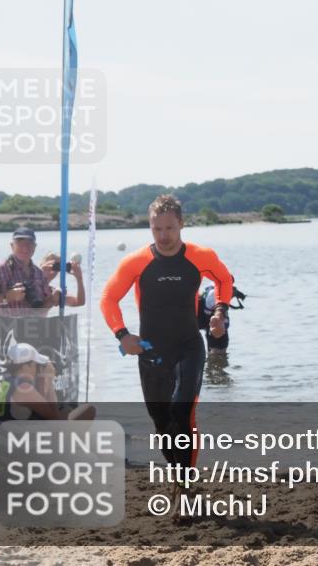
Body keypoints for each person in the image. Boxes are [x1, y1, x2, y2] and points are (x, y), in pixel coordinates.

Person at [101, 194, 233, 492]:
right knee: (162, 423)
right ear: (150, 227)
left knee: (181, 411)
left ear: (181, 225)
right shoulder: (136, 262)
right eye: (156, 229)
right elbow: (109, 298)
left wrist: (220, 312)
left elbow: (225, 280)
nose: (163, 235)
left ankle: (184, 487)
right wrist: (123, 335)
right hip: (151, 351)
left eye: (169, 228)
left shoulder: (201, 256)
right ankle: (177, 475)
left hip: (189, 345)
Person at [0, 342, 95, 421]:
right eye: (36, 365)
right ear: (25, 366)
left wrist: (43, 381)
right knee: (88, 410)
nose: (37, 369)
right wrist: (48, 379)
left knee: (66, 411)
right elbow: (53, 417)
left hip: (10, 435)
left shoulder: (6, 381)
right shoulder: (24, 389)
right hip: (22, 442)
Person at [0, 228, 55, 315]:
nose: (25, 247)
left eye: (29, 243)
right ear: (12, 246)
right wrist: (6, 297)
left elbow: (42, 308)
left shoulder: (39, 273)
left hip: (30, 327)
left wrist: (53, 299)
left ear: (35, 246)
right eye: (20, 243)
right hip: (2, 327)